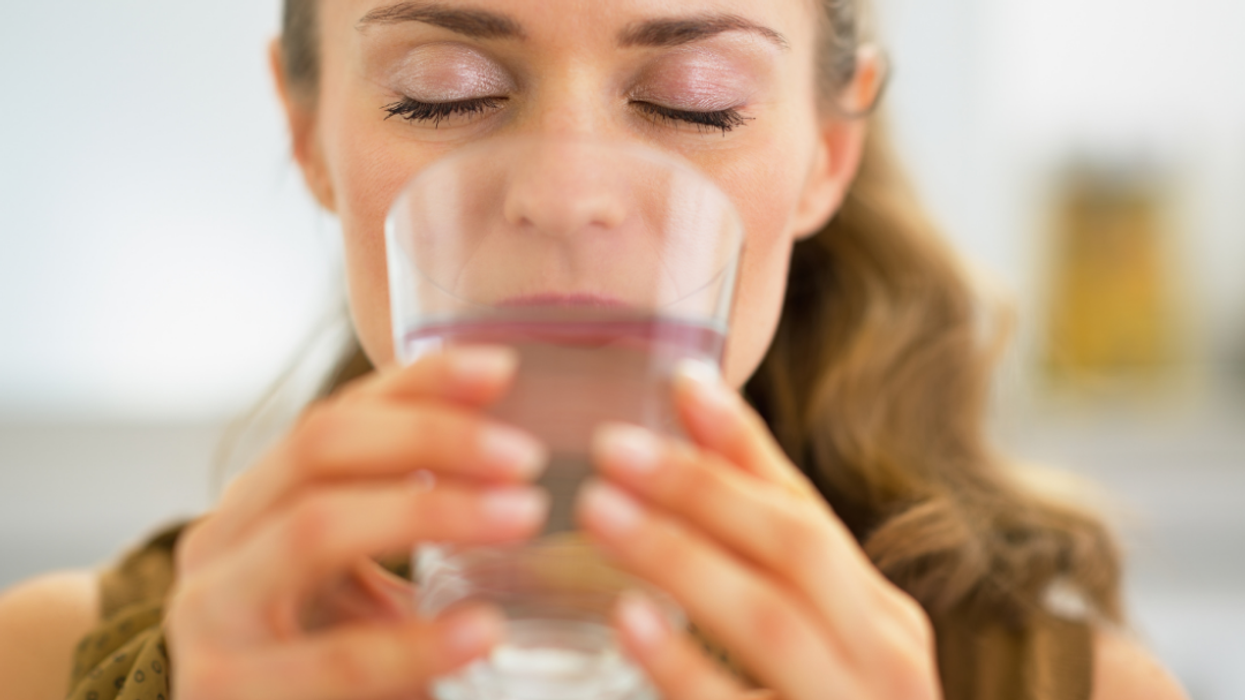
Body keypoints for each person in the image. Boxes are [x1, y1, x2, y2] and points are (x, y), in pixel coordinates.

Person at [0, 1, 1190, 699]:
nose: (569, 192)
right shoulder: (45, 661)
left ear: (827, 155)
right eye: (443, 89)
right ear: (310, 130)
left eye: (693, 98)